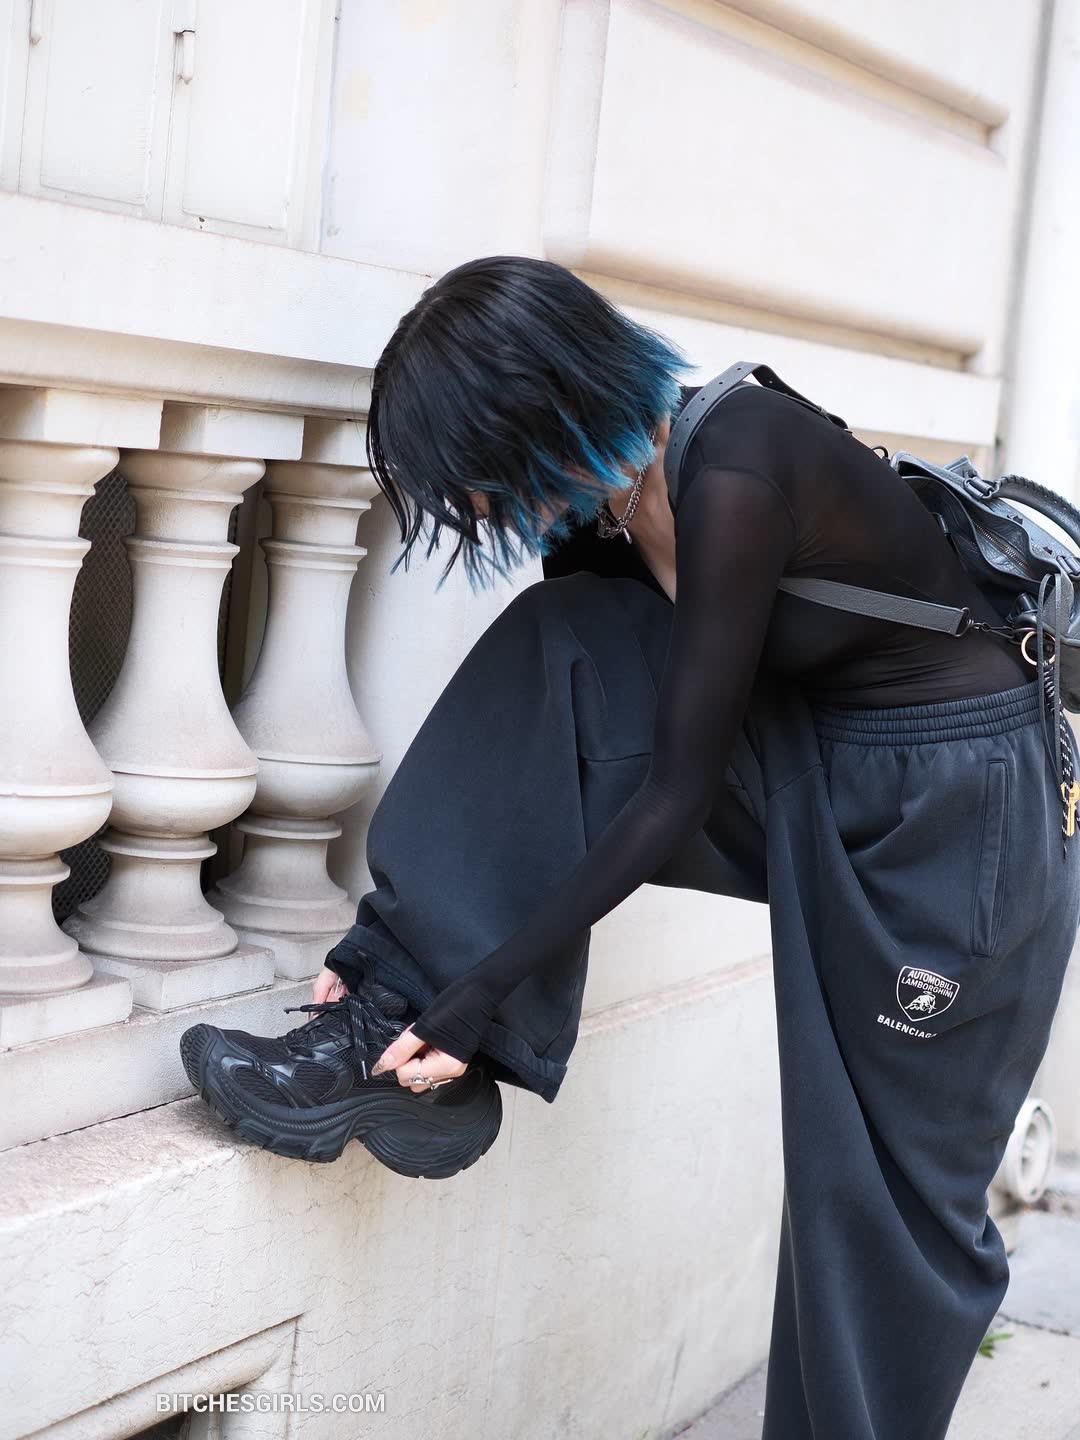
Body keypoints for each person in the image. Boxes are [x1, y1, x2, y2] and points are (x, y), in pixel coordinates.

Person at [181, 255, 1080, 1440]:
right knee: (561, 647)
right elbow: (577, 762)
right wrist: (416, 971)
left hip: (960, 815)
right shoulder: (610, 509)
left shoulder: (739, 465)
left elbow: (671, 795)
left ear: (536, 410)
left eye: (475, 473)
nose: (477, 511)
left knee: (880, 1207)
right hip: (818, 759)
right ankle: (386, 1030)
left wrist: (482, 991)